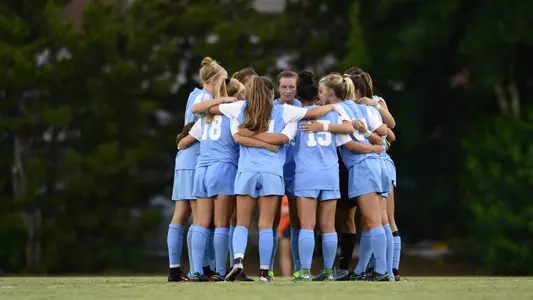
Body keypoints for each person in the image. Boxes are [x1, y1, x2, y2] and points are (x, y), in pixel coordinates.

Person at [209, 76, 343, 282]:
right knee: (266, 224)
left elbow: (216, 118)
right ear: (272, 94)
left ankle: (237, 261)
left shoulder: (240, 107)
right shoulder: (284, 110)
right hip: (272, 172)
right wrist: (334, 108)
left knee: (242, 223)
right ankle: (264, 272)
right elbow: (306, 118)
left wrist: (249, 132)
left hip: (246, 171)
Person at [167, 57, 227, 282]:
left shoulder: (194, 93)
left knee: (182, 214)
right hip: (195, 159)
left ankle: (176, 269)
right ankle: (198, 269)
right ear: (213, 79)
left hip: (184, 159)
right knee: (200, 217)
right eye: (224, 78)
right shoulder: (205, 98)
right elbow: (199, 130)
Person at [291, 71, 355, 281]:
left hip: (306, 173)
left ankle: (304, 272)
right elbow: (347, 130)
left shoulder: (295, 113)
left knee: (307, 225)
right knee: (328, 225)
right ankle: (328, 270)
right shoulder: (333, 113)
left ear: (298, 93)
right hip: (329, 172)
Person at [272, 69, 303, 280]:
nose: (288, 91)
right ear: (278, 87)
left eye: (291, 87)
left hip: (297, 172)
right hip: (274, 170)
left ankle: (300, 269)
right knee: (272, 222)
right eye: (284, 87)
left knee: (298, 222)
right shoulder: (271, 107)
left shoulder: (302, 108)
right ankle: (268, 269)